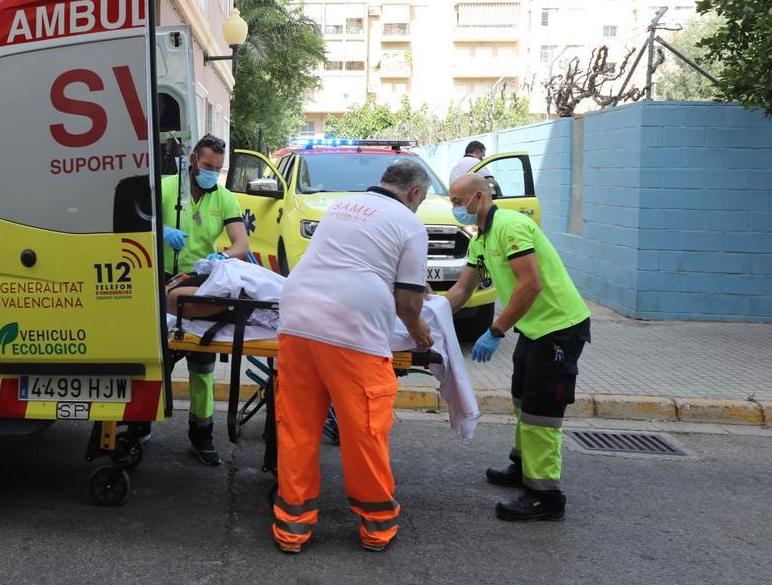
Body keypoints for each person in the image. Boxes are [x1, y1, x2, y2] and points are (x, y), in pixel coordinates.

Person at [272, 159, 434, 554]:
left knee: (297, 426)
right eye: (422, 199)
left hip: (296, 319)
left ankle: (291, 528)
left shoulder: (341, 207)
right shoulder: (410, 223)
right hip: (351, 332)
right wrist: (418, 331)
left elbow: (353, 261)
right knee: (364, 430)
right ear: (414, 193)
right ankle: (376, 527)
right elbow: (408, 302)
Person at [445, 173, 591, 522]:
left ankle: (545, 495)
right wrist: (424, 315)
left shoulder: (510, 226)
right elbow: (462, 291)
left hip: (559, 328)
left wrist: (496, 330)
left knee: (542, 409)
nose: (455, 209)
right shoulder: (481, 238)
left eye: (457, 201)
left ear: (478, 197)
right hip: (534, 328)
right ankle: (523, 467)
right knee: (523, 399)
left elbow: (531, 285)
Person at [160, 134, 249, 465]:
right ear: (193, 161)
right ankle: (137, 425)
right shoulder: (167, 188)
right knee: (156, 365)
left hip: (200, 285)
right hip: (162, 283)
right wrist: (162, 230)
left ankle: (202, 434)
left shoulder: (224, 198)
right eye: (209, 166)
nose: (213, 173)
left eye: (219, 168)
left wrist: (226, 257)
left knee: (203, 370)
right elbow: (138, 222)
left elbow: (241, 242)